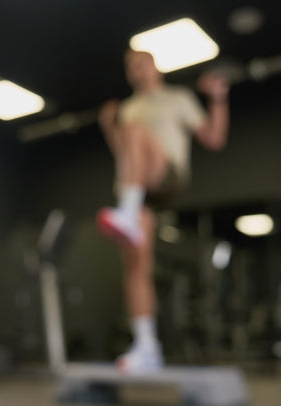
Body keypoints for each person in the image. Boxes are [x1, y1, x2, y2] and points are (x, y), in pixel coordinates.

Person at [97, 48, 230, 373]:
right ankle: (147, 347)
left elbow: (214, 139)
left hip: (165, 175)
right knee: (136, 265)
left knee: (135, 131)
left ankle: (127, 212)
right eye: (131, 67)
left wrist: (217, 99)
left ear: (157, 68)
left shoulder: (177, 98)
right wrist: (109, 128)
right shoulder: (128, 108)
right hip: (137, 190)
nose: (137, 70)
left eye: (143, 63)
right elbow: (124, 156)